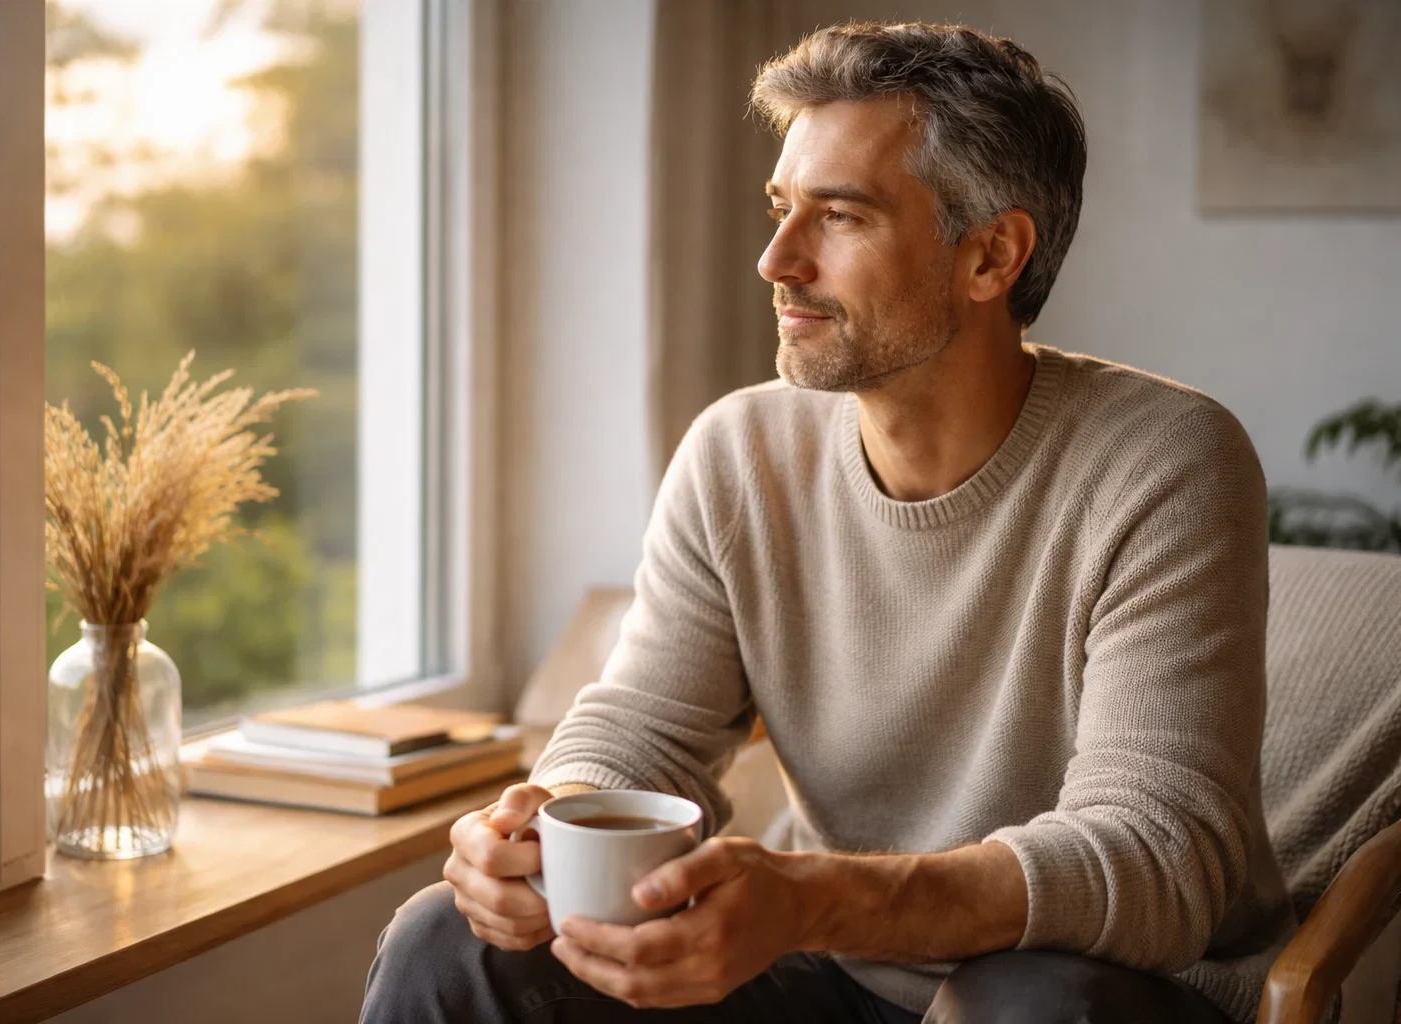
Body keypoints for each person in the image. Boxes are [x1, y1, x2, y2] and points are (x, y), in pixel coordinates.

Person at [360, 21, 1294, 1024]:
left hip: (1094, 989)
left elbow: (1154, 860)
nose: (774, 259)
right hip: (837, 977)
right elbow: (642, 727)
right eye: (780, 208)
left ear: (991, 255)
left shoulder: (1166, 461)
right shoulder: (739, 452)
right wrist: (551, 823)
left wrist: (813, 898)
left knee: (1020, 1006)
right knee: (444, 942)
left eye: (839, 217)